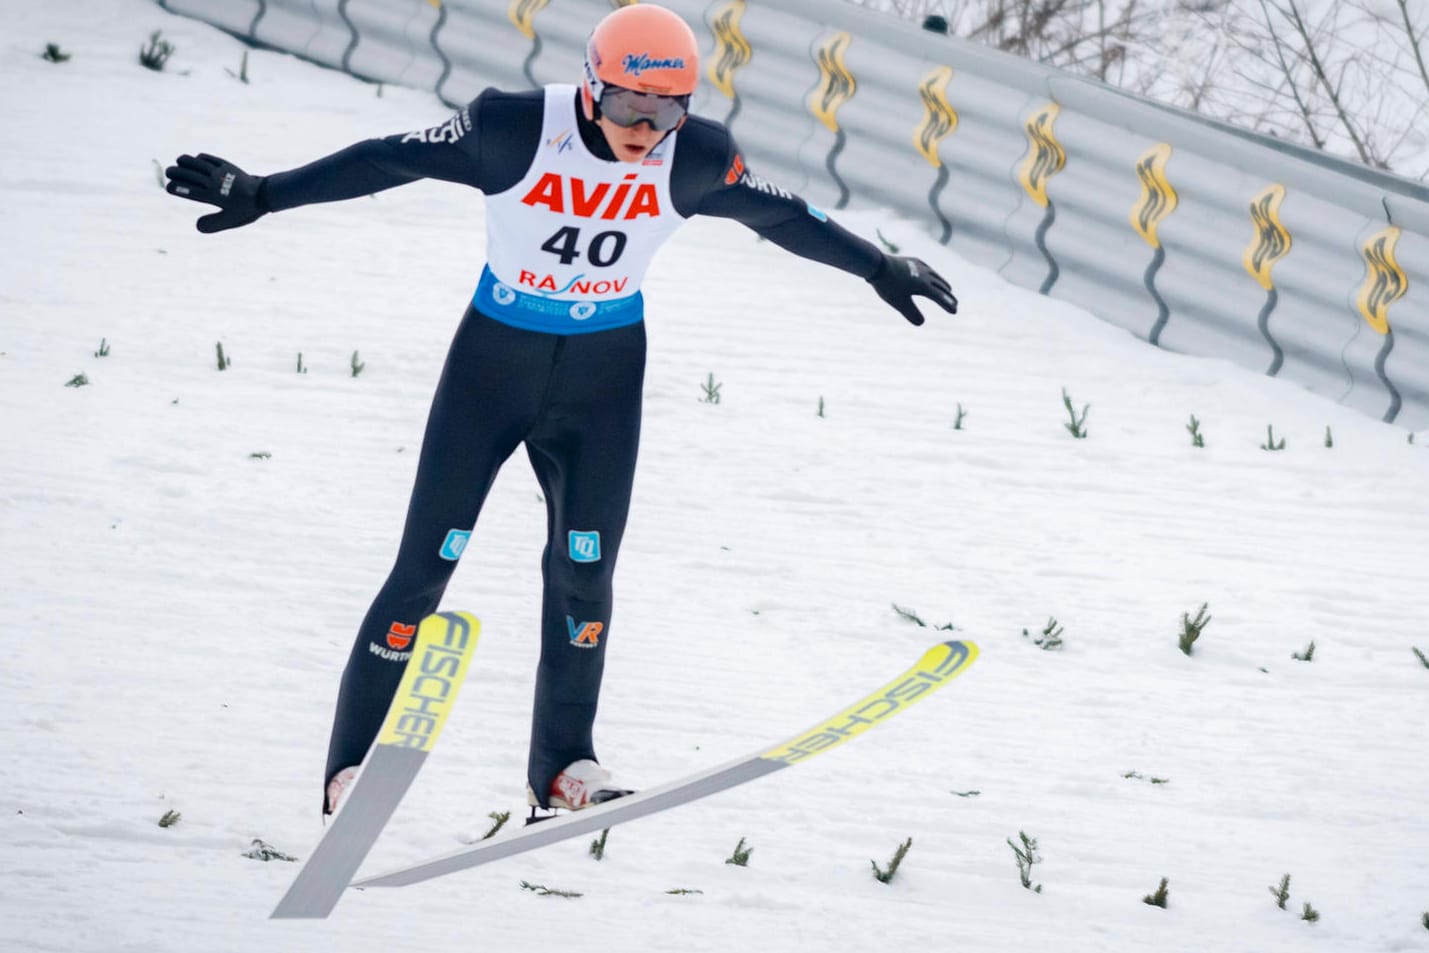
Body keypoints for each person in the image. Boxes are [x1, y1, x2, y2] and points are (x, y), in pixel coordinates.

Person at [165, 3, 958, 817]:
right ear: (590, 88)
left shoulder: (697, 157)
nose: (646, 131)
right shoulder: (511, 128)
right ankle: (351, 767)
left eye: (667, 113)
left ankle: (565, 764)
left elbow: (783, 214)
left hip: (603, 377)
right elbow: (382, 160)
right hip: (492, 366)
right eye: (627, 108)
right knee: (425, 566)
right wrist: (266, 193)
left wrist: (876, 266)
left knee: (584, 572)